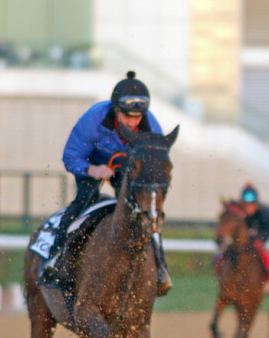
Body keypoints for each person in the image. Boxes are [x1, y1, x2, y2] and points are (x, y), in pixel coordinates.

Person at [40, 70, 173, 296]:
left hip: (128, 169)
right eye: (127, 116)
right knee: (85, 200)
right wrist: (94, 170)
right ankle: (56, 257)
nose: (133, 122)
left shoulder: (152, 126)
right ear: (115, 110)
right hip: (92, 165)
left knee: (147, 210)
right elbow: (71, 157)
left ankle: (160, 267)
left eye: (137, 117)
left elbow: (154, 166)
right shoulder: (93, 119)